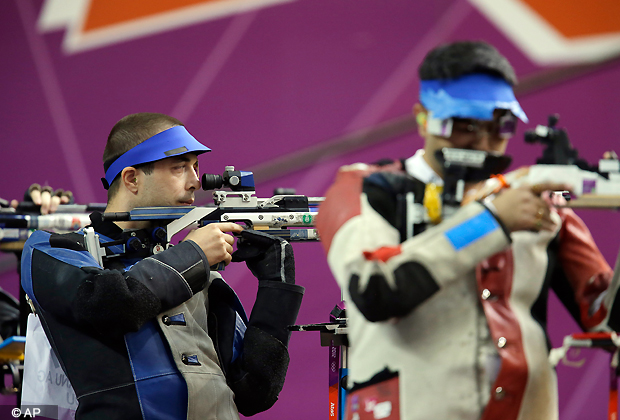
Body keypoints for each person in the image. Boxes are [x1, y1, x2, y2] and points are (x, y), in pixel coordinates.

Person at [316, 41, 617, 420]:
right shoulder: (363, 189)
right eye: (463, 126)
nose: (482, 142)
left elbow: (607, 316)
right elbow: (376, 290)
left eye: (498, 127)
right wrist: (490, 221)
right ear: (423, 117)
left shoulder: (535, 203)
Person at [20, 113, 305, 419]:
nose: (196, 181)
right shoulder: (51, 248)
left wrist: (276, 287)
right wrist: (194, 253)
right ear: (131, 179)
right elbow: (109, 303)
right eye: (180, 167)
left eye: (196, 167)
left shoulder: (195, 270)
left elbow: (254, 392)